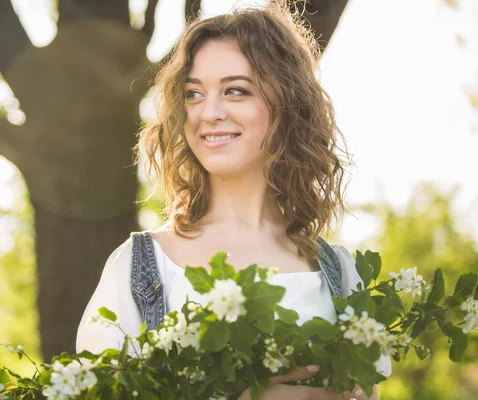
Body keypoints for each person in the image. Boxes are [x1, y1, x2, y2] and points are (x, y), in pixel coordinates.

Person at [76, 3, 391, 399]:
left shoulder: (341, 275)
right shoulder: (140, 269)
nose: (209, 113)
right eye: (193, 93)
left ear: (288, 104)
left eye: (235, 90)